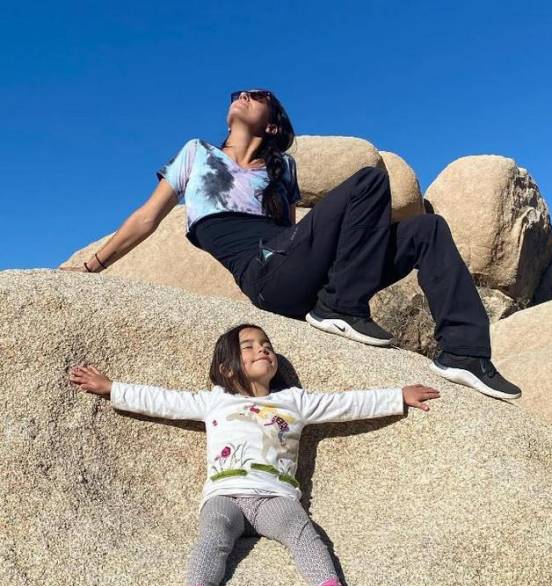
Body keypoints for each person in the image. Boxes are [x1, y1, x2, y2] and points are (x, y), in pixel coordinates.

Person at [60, 88, 521, 401]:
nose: (242, 95)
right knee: (369, 181)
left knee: (427, 230)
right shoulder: (197, 154)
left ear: (274, 123)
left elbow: (294, 231)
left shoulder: (282, 171)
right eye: (240, 94)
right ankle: (341, 306)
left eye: (256, 96)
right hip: (266, 274)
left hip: (295, 260)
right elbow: (147, 217)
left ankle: (465, 352)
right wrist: (93, 265)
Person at [68, 323, 440, 586]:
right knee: (213, 538)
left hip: (275, 497)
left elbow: (346, 404)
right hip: (224, 495)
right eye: (249, 346)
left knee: (304, 535)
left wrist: (396, 396)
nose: (263, 349)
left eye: (266, 344)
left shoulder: (294, 400)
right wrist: (111, 388)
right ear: (228, 366)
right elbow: (163, 400)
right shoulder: (214, 399)